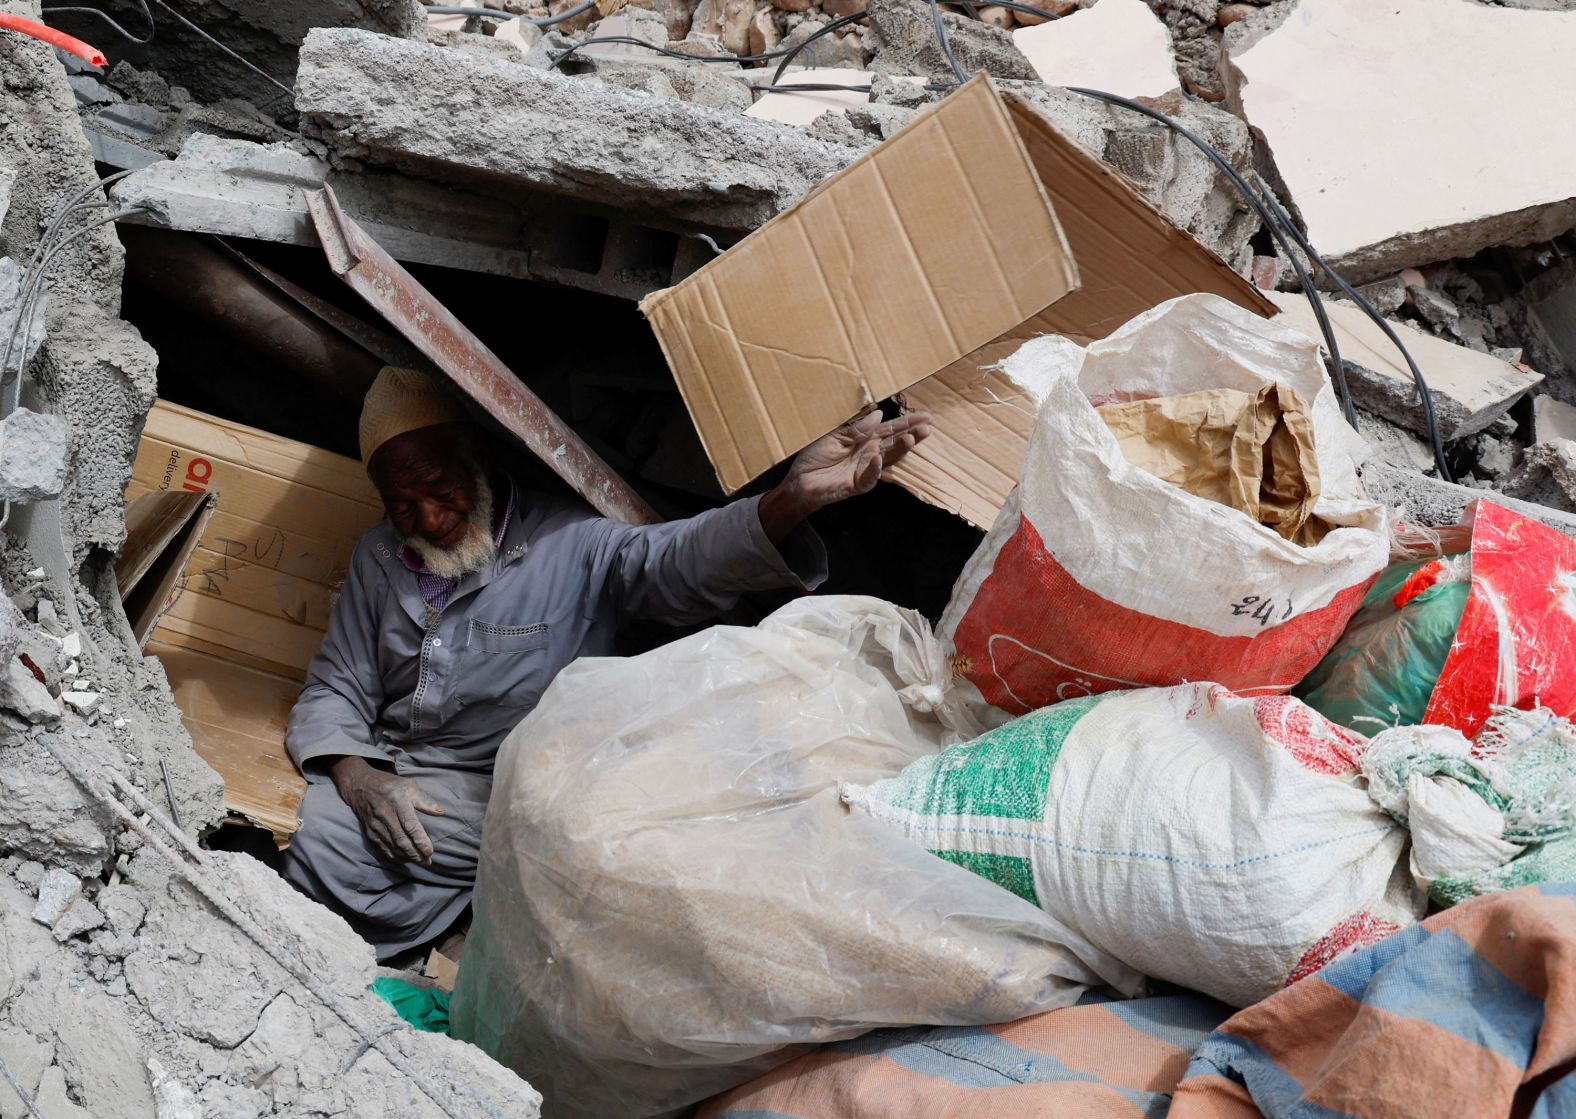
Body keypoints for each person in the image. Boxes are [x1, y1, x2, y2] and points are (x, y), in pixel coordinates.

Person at [282, 366, 932, 959]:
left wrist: (792, 498)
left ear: (477, 457)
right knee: (317, 829)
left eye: (439, 488)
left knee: (351, 850)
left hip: (508, 797)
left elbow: (675, 559)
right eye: (402, 504)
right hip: (398, 778)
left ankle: (431, 924)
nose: (427, 516)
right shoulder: (378, 558)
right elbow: (338, 681)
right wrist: (358, 777)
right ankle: (436, 925)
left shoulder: (571, 543)